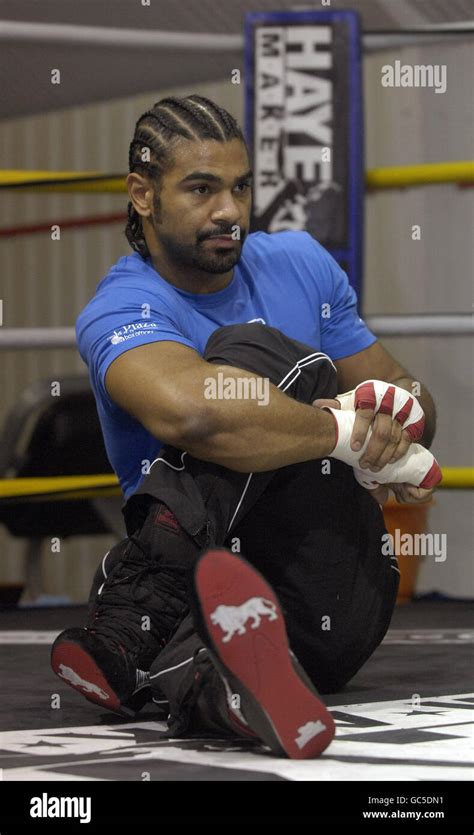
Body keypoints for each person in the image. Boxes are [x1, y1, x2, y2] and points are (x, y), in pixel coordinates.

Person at [51, 95, 440, 759]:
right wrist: (340, 430)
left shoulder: (299, 262)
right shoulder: (120, 307)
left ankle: (128, 636)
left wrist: (394, 423)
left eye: (240, 187)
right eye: (201, 189)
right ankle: (216, 691)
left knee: (260, 353)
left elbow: (412, 395)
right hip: (203, 595)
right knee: (248, 361)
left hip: (336, 585)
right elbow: (196, 413)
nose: (229, 211)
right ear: (142, 195)